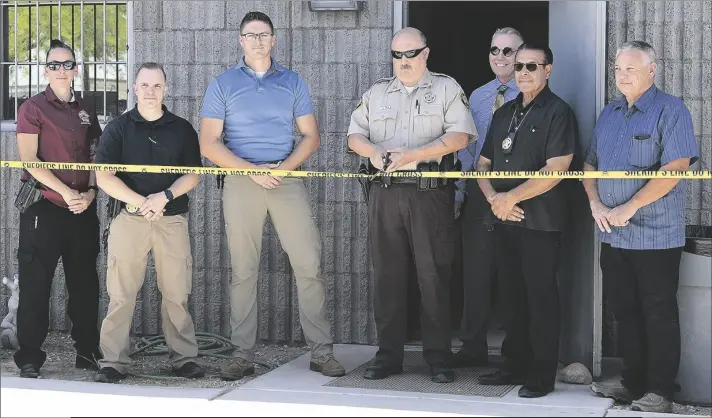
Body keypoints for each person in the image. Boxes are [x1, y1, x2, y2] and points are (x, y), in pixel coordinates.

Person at [199, 11, 345, 381]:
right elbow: (208, 143)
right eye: (251, 35)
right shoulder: (223, 84)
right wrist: (251, 171)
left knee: (309, 264)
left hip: (285, 178)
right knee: (244, 270)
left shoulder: (292, 81)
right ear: (240, 40)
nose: (258, 41)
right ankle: (241, 354)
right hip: (241, 180)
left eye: (264, 34)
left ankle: (321, 351)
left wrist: (281, 171)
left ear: (274, 39)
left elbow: (311, 136)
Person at [347, 27, 477, 383]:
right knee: (387, 276)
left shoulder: (447, 88)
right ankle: (388, 356)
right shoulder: (376, 92)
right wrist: (373, 151)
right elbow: (354, 134)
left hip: (430, 192)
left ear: (426, 53)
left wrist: (414, 155)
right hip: (385, 193)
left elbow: (461, 136)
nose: (403, 61)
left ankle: (438, 359)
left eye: (410, 54)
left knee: (433, 275)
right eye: (397, 55)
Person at [585, 41, 699, 413]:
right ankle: (631, 383)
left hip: (654, 234)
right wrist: (596, 204)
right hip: (613, 233)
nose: (622, 75)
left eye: (630, 69)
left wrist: (630, 205)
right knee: (624, 311)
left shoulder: (671, 110)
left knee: (658, 312)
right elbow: (590, 166)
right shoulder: (610, 113)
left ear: (652, 70)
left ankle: (660, 391)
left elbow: (675, 169)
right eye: (618, 69)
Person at [475, 43, 577, 398]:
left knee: (541, 299)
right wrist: (493, 200)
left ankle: (541, 375)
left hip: (539, 223)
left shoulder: (558, 112)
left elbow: (556, 170)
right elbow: (482, 163)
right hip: (503, 219)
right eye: (518, 66)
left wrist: (510, 198)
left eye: (531, 66)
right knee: (511, 299)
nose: (522, 72)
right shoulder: (504, 113)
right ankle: (514, 364)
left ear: (547, 70)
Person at [93, 62, 205, 383]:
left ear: (166, 89)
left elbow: (193, 174)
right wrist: (143, 202)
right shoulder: (118, 128)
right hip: (129, 219)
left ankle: (183, 358)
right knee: (121, 293)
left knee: (176, 292)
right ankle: (113, 361)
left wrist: (164, 196)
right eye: (144, 85)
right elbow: (104, 176)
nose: (150, 92)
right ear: (134, 89)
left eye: (157, 86)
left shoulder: (182, 128)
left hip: (171, 220)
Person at [13, 39, 103, 378]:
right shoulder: (32, 108)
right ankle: (30, 357)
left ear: (76, 69)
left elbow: (95, 154)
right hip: (45, 208)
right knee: (36, 283)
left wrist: (92, 191)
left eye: (67, 64)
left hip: (83, 208)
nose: (60, 69)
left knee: (85, 283)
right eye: (54, 64)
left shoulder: (87, 108)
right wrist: (66, 192)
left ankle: (87, 351)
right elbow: (29, 160)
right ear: (46, 70)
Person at [451, 27, 523, 369]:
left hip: (518, 192)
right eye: (494, 50)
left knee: (514, 270)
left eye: (508, 51)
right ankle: (472, 345)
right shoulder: (478, 96)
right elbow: (466, 148)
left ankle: (516, 346)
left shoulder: (530, 94)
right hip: (480, 192)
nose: (500, 57)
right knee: (475, 271)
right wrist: (460, 192)